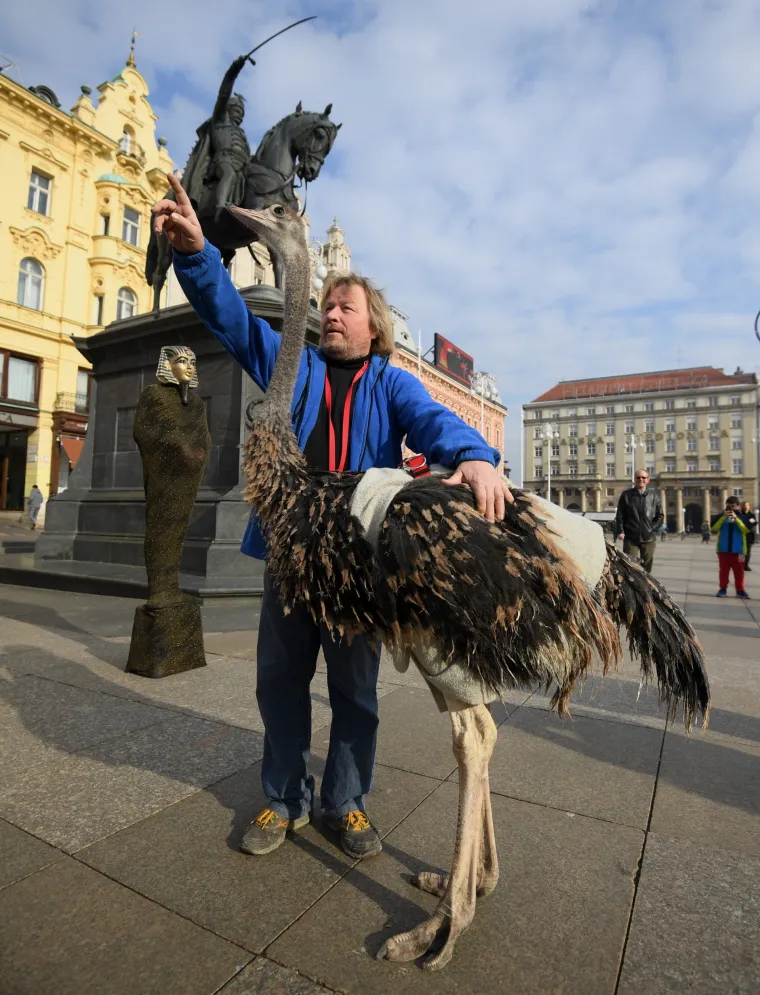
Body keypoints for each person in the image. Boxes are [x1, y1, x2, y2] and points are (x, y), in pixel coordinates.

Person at [152, 174, 513, 860]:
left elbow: (435, 422)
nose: (335, 313)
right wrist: (197, 253)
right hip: (292, 554)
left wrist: (474, 455)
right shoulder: (296, 365)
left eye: (347, 306)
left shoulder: (390, 382)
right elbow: (228, 313)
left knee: (355, 691)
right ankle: (283, 796)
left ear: (373, 326)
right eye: (329, 304)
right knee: (278, 681)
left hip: (356, 560)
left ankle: (343, 801)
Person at [613, 469, 663, 573]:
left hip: (648, 538)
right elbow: (620, 515)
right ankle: (631, 586)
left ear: (648, 480)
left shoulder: (654, 495)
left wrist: (651, 528)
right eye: (638, 477)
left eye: (644, 477)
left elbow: (660, 516)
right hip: (631, 537)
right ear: (634, 480)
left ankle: (646, 586)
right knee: (630, 564)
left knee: (647, 566)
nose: (641, 479)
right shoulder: (626, 495)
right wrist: (621, 531)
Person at [712, 497, 750, 598]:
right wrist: (723, 517)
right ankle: (723, 589)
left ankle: (740, 590)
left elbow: (746, 529)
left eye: (733, 506)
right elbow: (714, 528)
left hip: (740, 551)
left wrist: (736, 518)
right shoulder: (721, 516)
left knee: (740, 572)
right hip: (723, 550)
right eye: (729, 506)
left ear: (738, 506)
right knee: (723, 571)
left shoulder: (743, 516)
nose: (731, 509)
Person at [737, 501, 757, 571]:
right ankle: (741, 564)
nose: (746, 507)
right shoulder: (739, 515)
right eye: (744, 505)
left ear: (749, 507)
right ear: (741, 507)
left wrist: (748, 522)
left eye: (747, 505)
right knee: (741, 551)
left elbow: (753, 523)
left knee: (748, 551)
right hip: (741, 535)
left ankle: (746, 565)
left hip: (749, 535)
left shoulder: (751, 515)